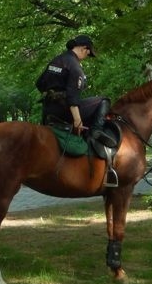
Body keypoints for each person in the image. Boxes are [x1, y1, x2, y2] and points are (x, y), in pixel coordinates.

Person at [36, 34, 118, 186]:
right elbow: (73, 99)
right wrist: (77, 120)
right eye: (88, 52)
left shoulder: (56, 61)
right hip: (64, 109)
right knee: (104, 100)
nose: (87, 55)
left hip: (48, 110)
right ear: (82, 48)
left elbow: (39, 83)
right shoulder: (74, 66)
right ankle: (96, 131)